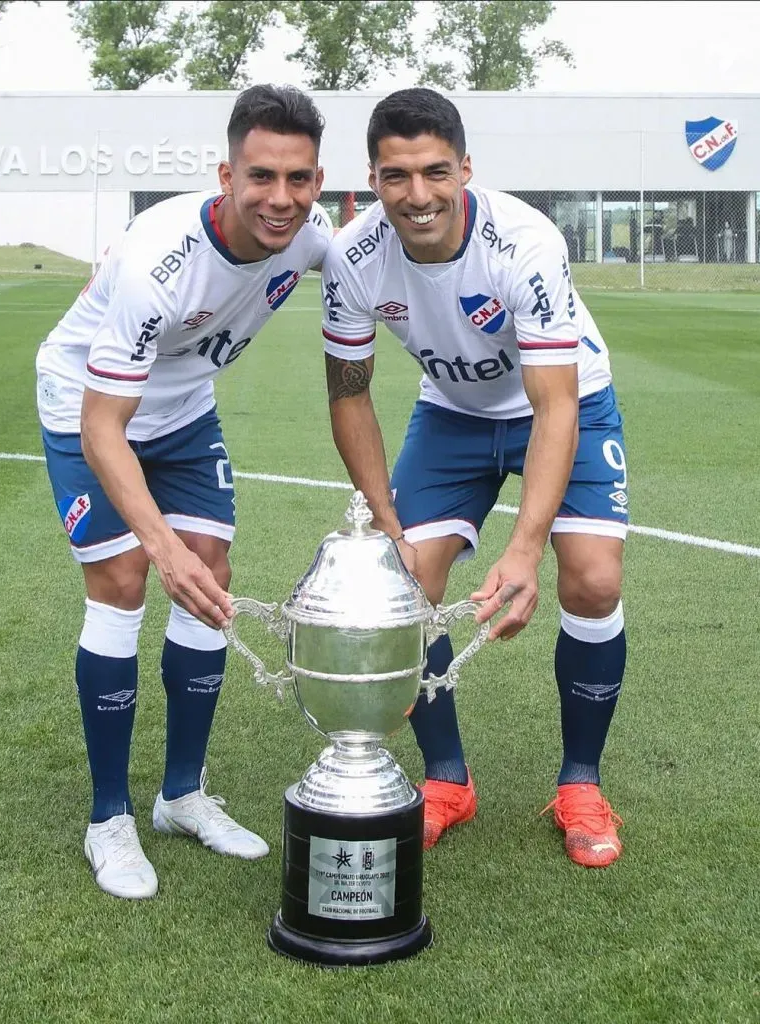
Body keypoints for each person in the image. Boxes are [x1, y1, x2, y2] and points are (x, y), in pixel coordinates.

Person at [36, 85, 332, 899]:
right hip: (86, 407)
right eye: (261, 176)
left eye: (299, 179)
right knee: (126, 579)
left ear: (317, 181)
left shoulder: (312, 240)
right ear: (225, 173)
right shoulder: (156, 262)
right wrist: (157, 545)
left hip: (183, 413)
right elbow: (103, 429)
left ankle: (182, 796)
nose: (280, 198)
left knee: (212, 578)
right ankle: (108, 819)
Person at [321, 88, 628, 868]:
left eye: (433, 172)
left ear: (464, 168)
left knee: (591, 579)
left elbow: (553, 405)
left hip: (563, 406)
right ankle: (447, 781)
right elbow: (348, 392)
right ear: (373, 177)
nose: (416, 196)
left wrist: (523, 549)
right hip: (451, 415)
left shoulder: (522, 240)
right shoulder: (354, 256)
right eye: (396, 176)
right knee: (406, 585)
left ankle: (579, 784)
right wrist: (384, 514)